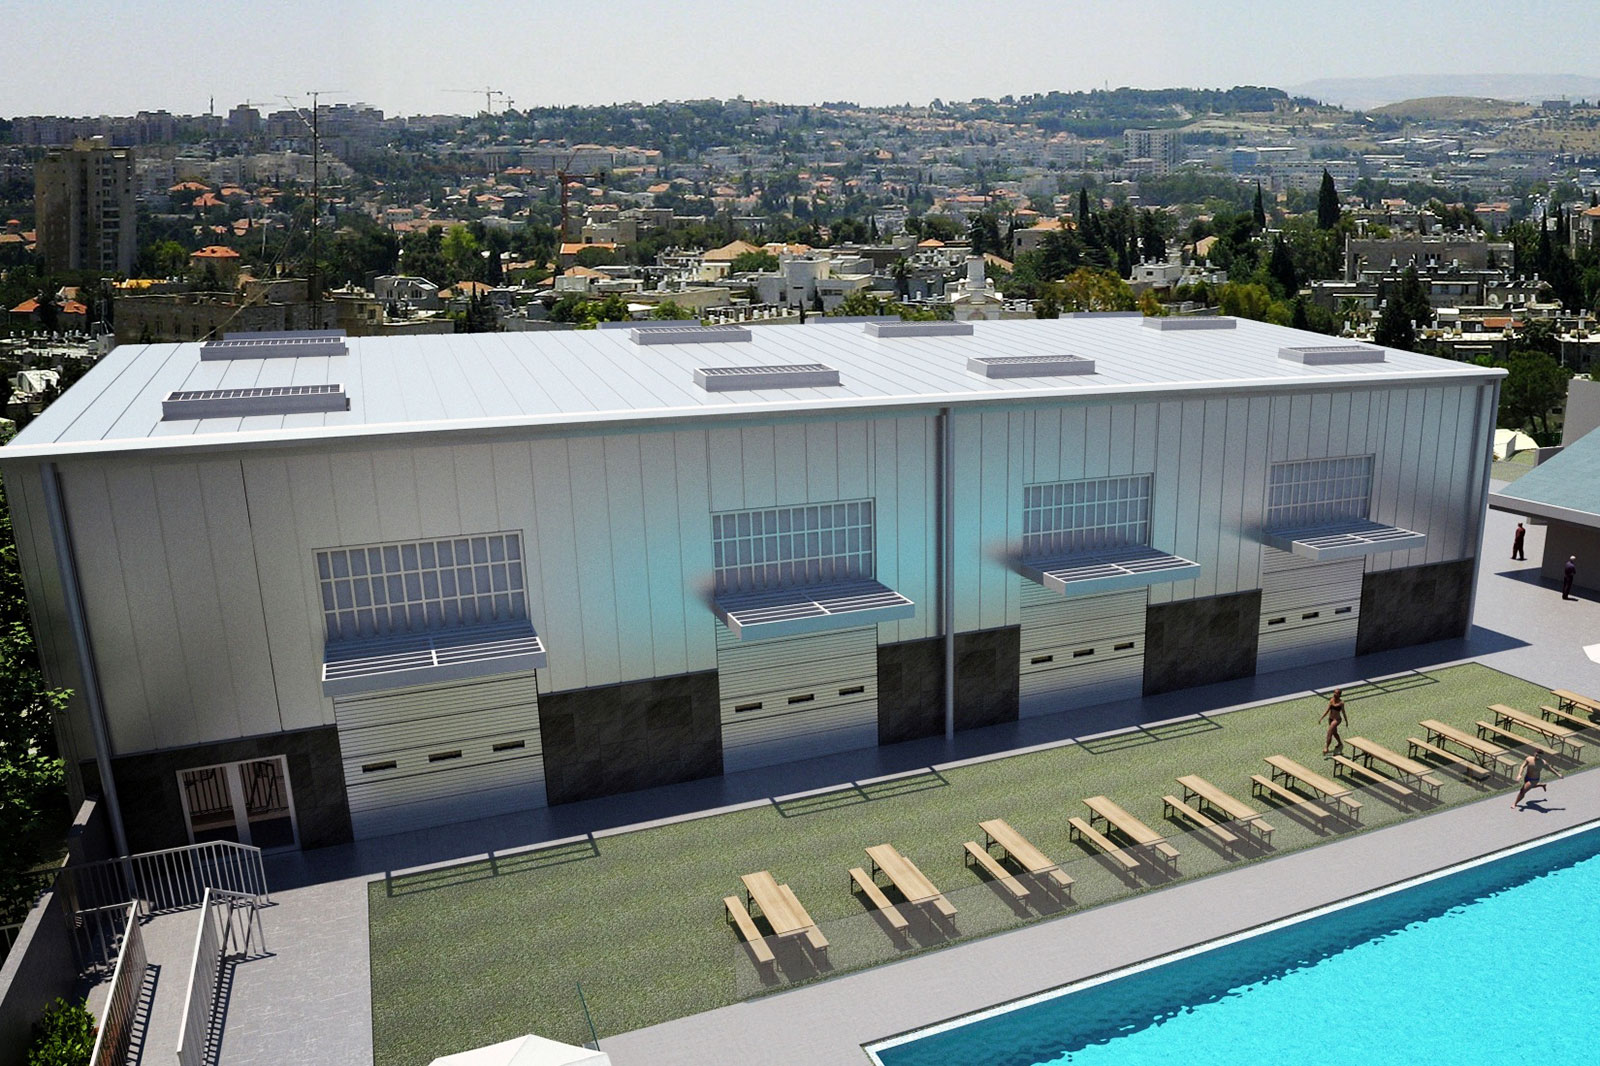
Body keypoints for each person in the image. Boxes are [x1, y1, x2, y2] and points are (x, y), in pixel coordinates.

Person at [1320, 689, 1348, 756]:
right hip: (1330, 719)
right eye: (1334, 693)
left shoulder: (1341, 703)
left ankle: (1326, 747)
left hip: (1337, 719)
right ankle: (1340, 743)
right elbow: (1327, 710)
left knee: (1330, 731)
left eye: (1337, 693)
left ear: (1340, 695)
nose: (1335, 694)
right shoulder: (1331, 700)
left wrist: (1346, 721)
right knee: (1334, 733)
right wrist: (1322, 717)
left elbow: (1343, 712)